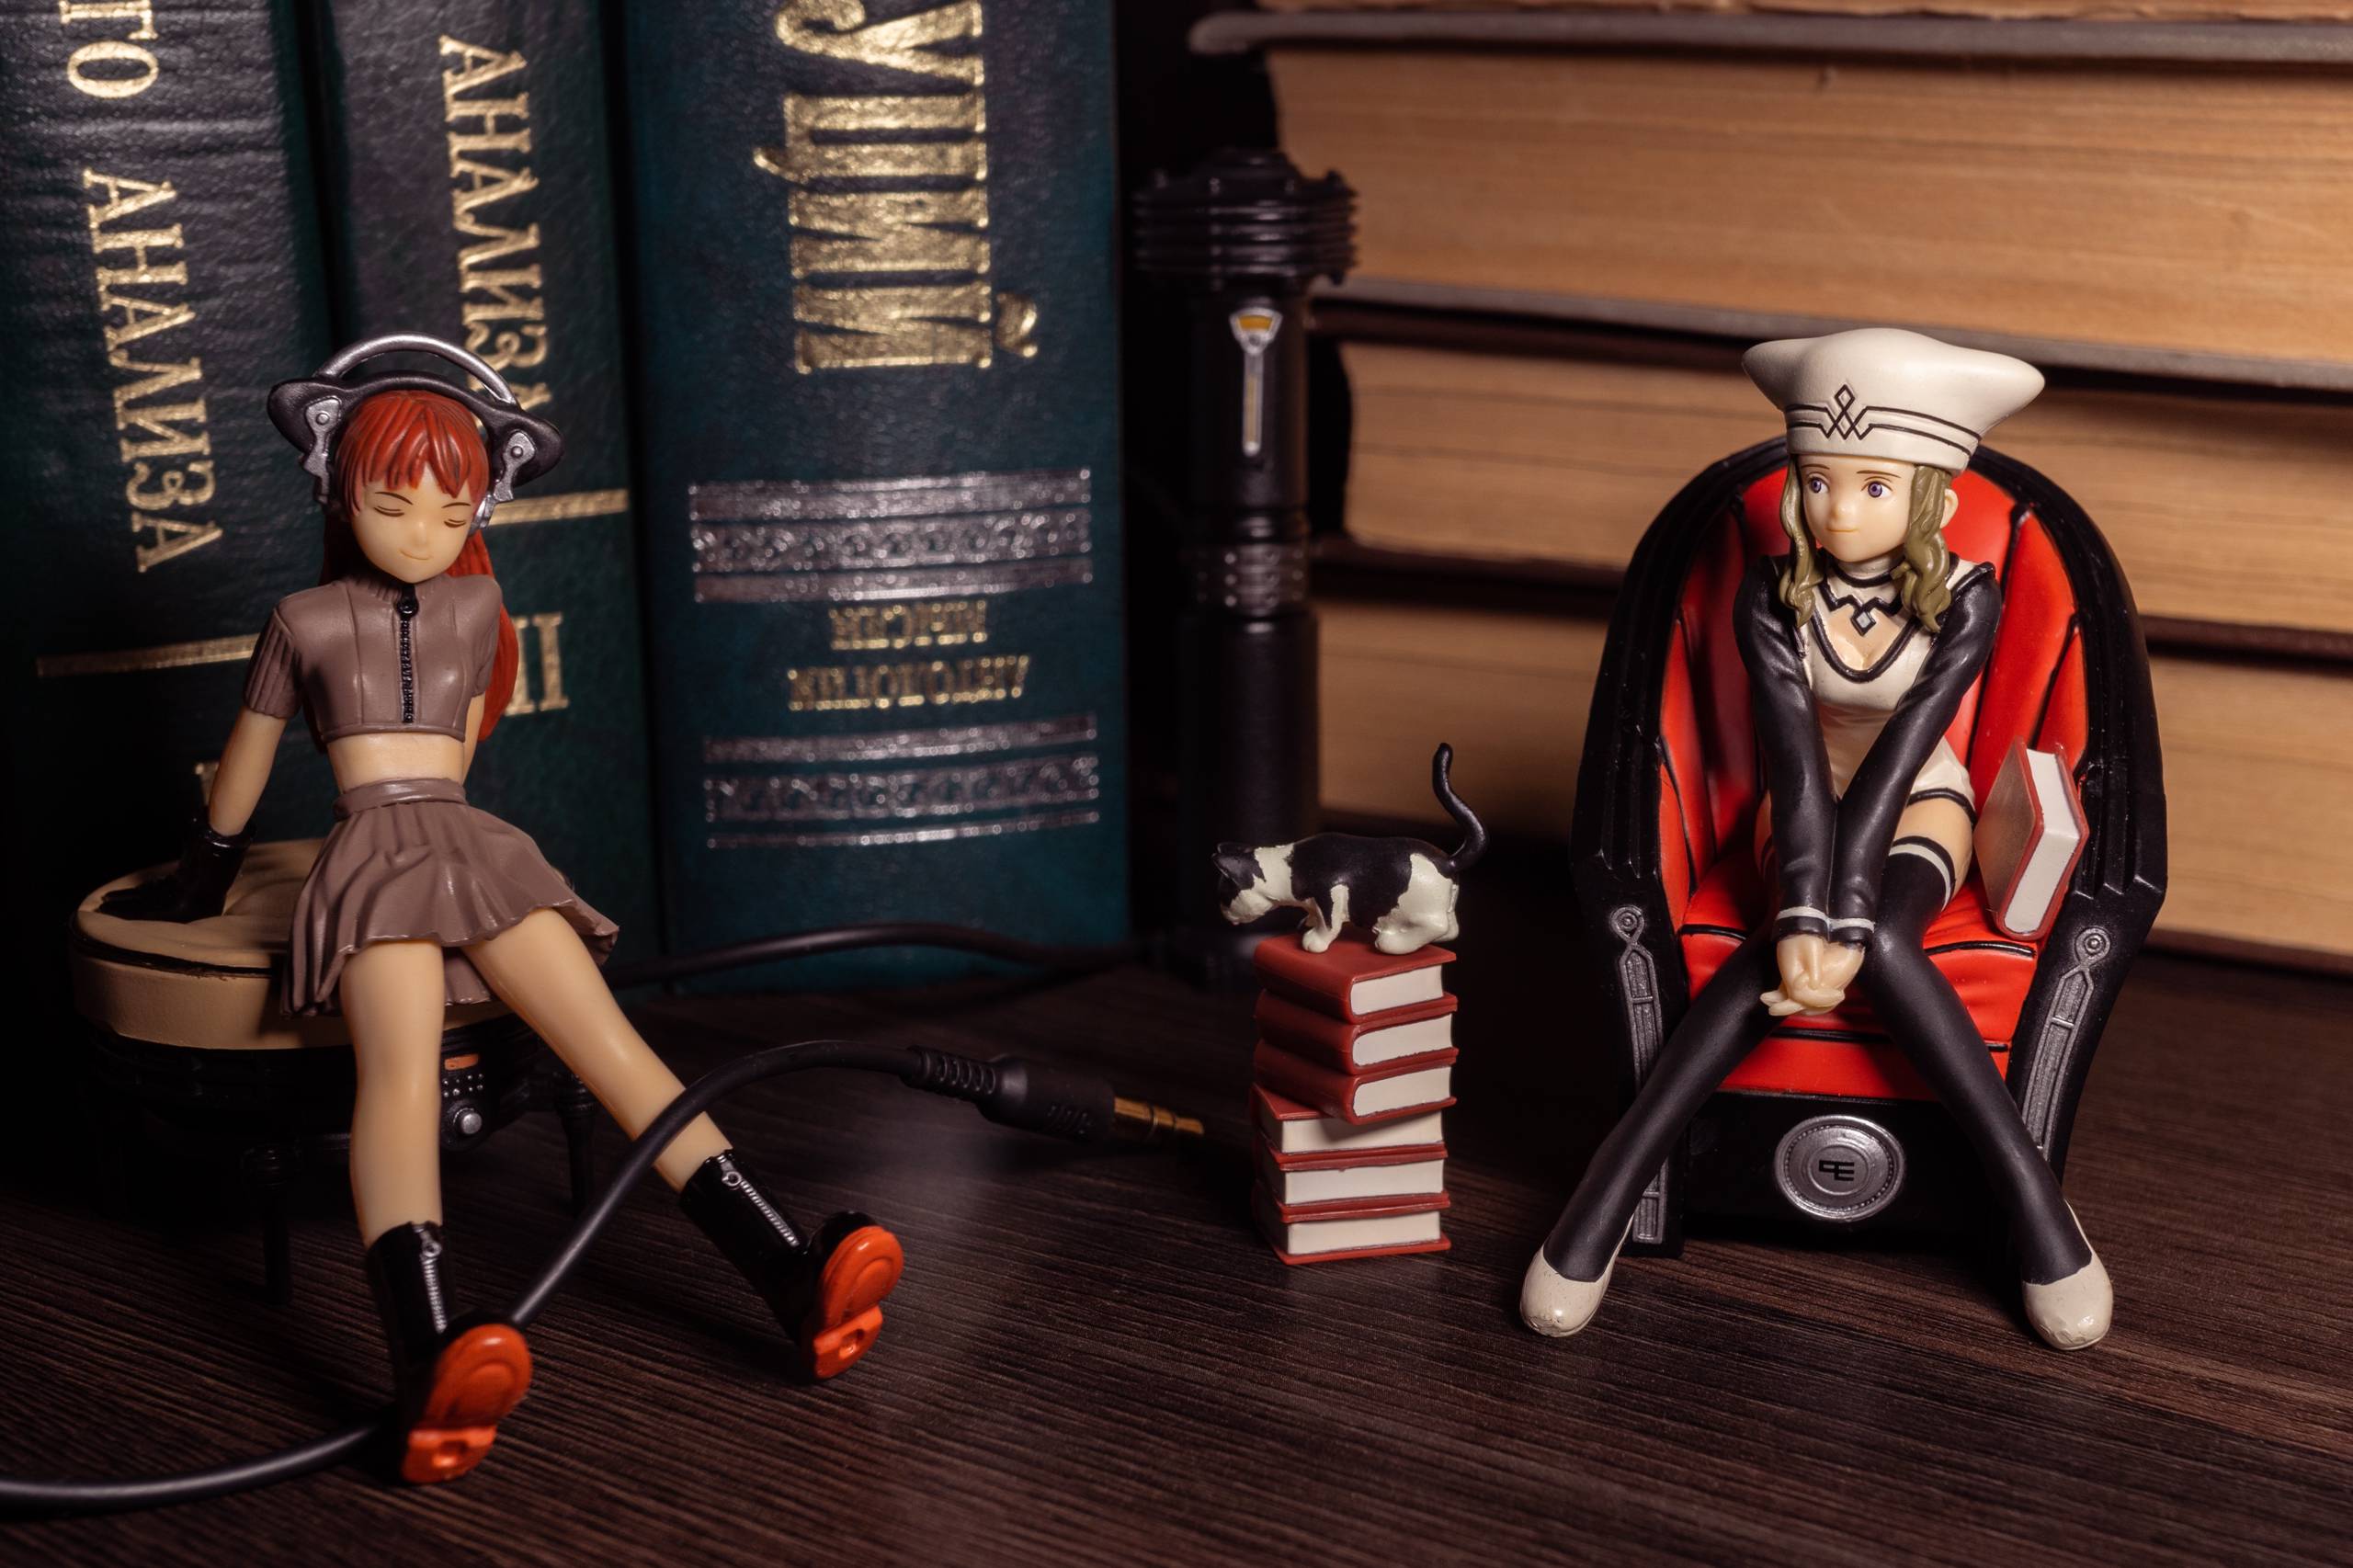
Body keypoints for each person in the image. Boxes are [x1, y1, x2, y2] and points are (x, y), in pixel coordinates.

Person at [101, 339, 905, 1481]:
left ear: (481, 507)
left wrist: (214, 871)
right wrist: (202, 882)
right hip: (392, 856)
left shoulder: (448, 606)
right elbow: (259, 769)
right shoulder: (314, 617)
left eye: (450, 509)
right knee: (400, 1076)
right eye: (391, 503)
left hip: (451, 848)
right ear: (337, 489)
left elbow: (346, 765)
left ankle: (787, 1265)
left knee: (612, 1046)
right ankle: (426, 1346)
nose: (421, 531)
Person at [1518, 328, 2113, 1351]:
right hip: (1795, 807)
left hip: (1918, 799)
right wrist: (1802, 912)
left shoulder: (1967, 598)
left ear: (1929, 499)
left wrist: (1841, 926)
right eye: (1819, 480)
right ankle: (1607, 1198)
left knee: (1884, 940)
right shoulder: (1771, 593)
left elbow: (1904, 755)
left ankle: (2034, 1210)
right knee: (1781, 945)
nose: (1839, 510)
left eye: (1874, 487)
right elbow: (1794, 758)